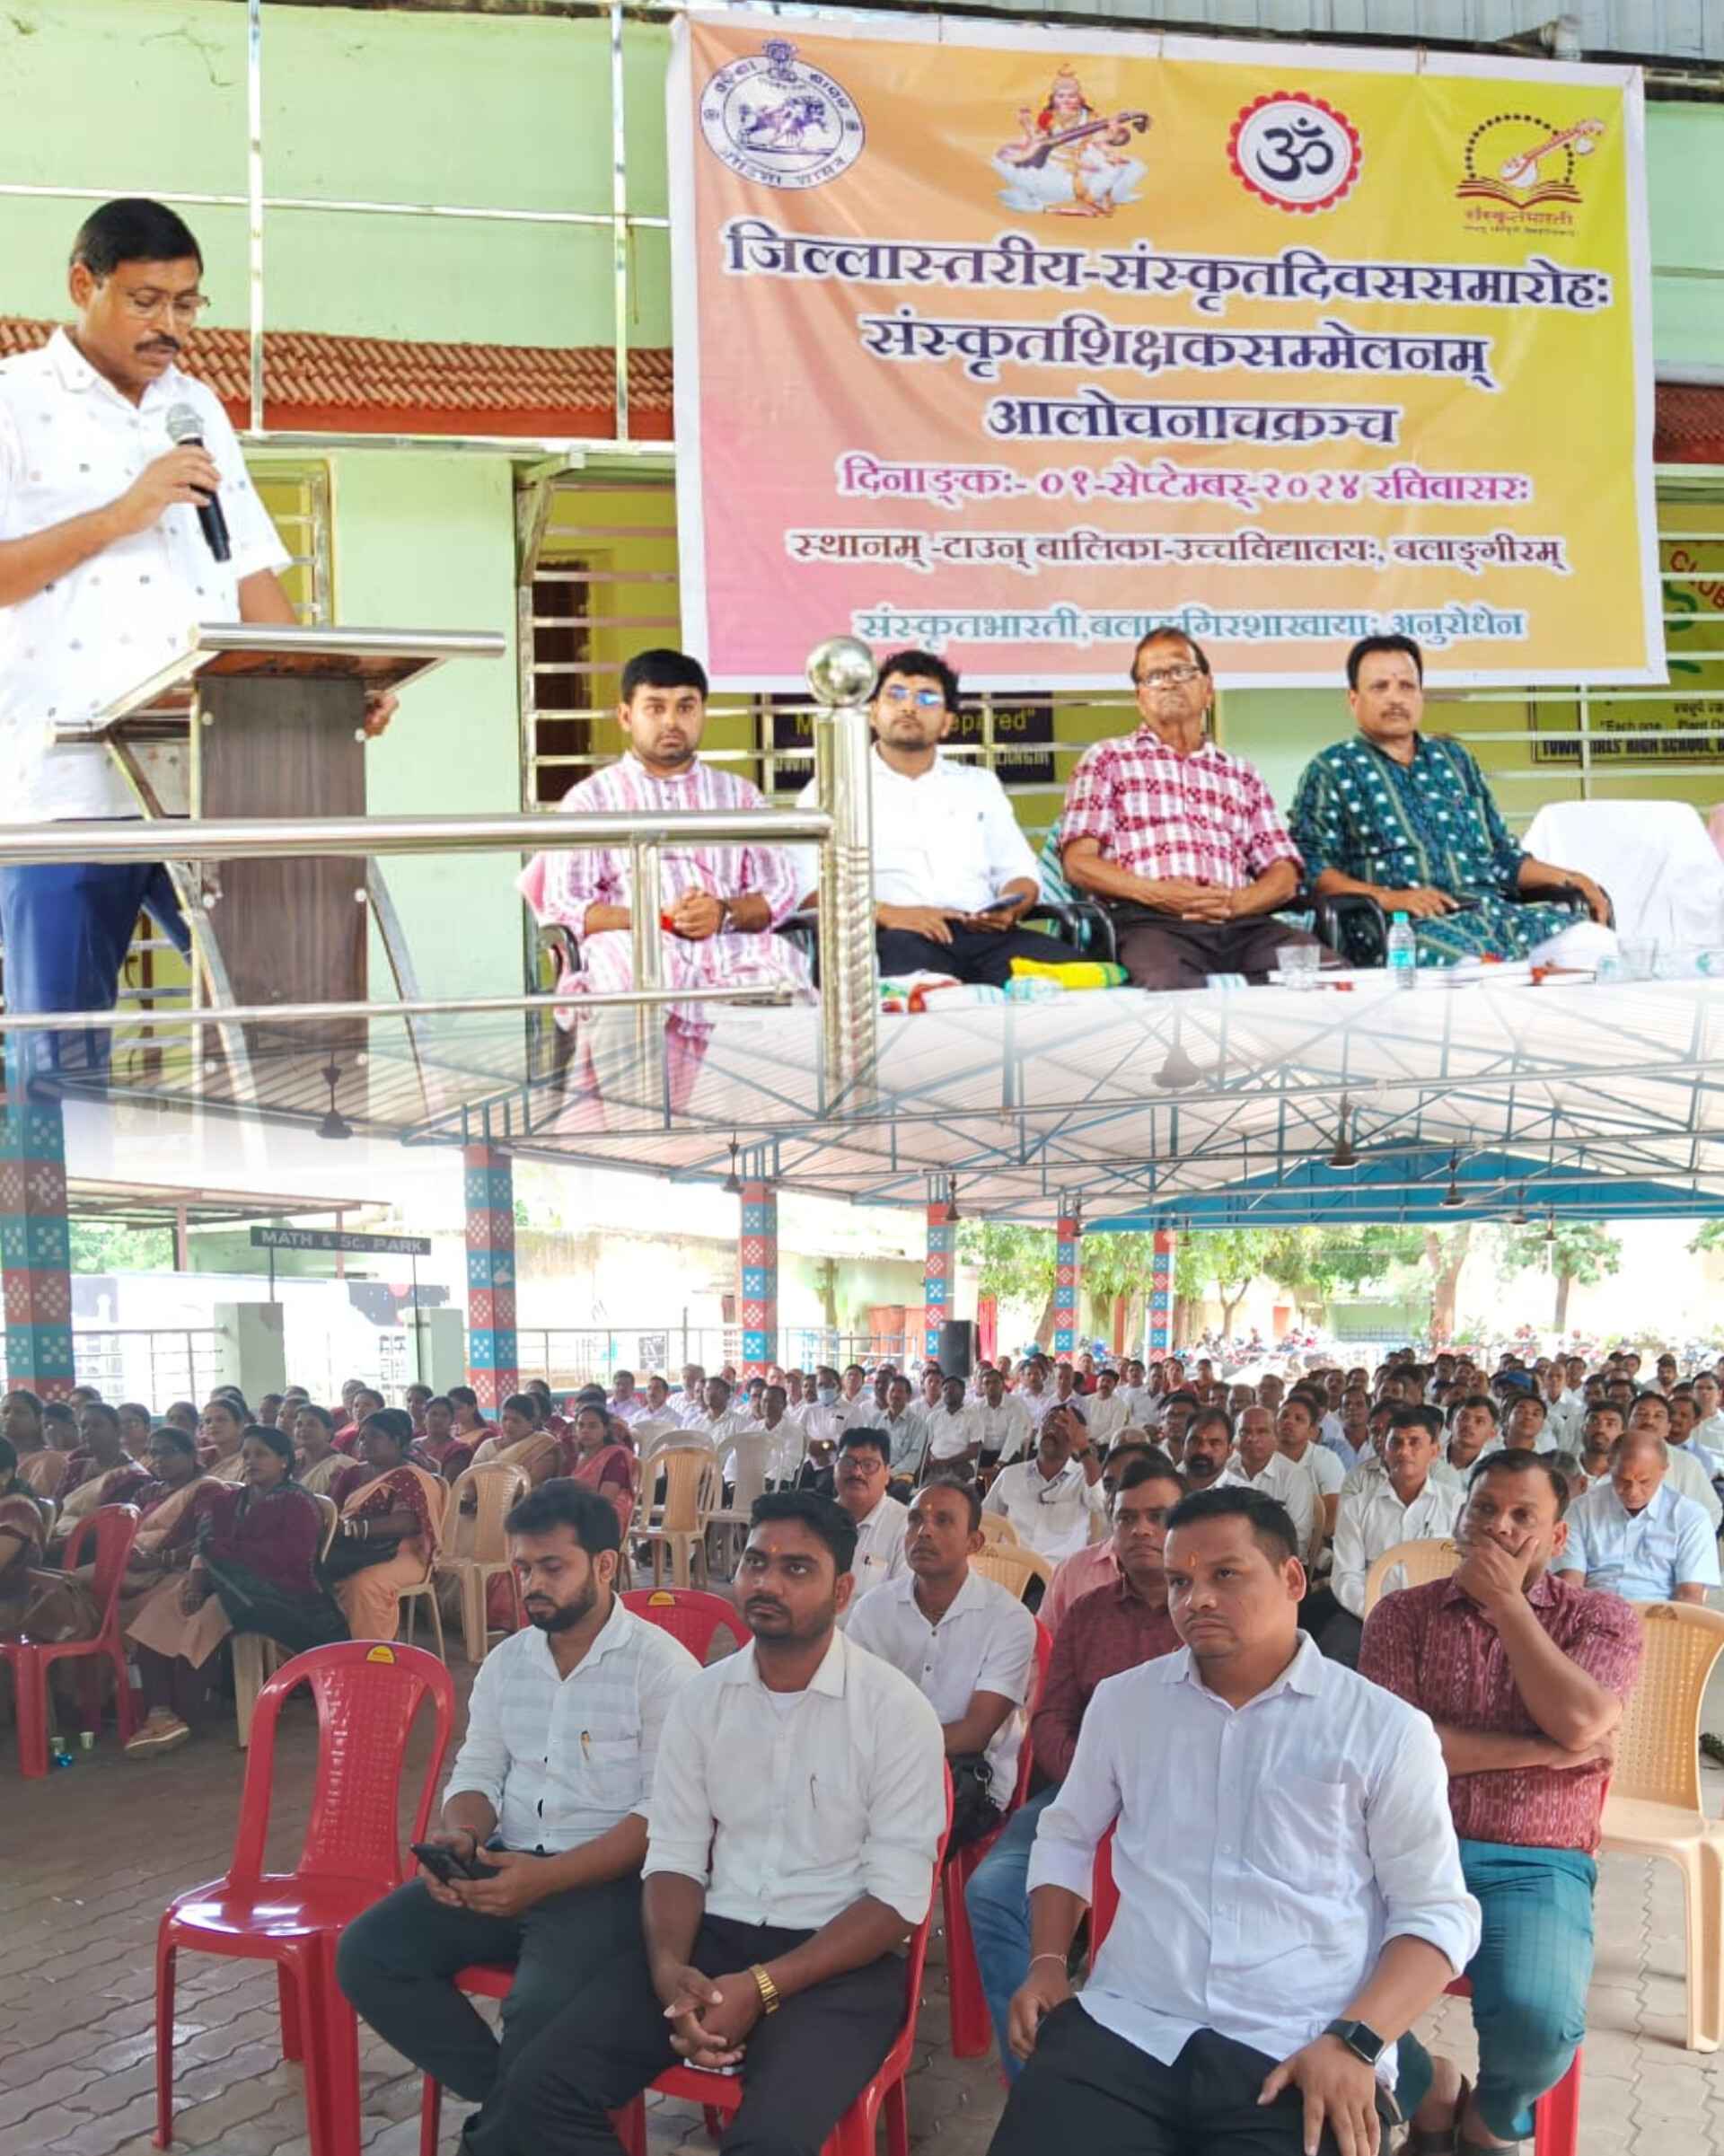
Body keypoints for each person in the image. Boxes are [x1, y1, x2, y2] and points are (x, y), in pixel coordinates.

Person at [0, 199, 388, 1074]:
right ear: (82, 285)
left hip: (211, 779)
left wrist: (329, 689)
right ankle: (45, 1177)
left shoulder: (197, 406)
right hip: (66, 788)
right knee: (55, 1060)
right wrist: (122, 513)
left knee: (280, 1026)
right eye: (146, 301)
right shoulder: (13, 401)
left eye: (187, 303)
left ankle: (273, 1170)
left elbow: (249, 575)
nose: (169, 326)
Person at [992, 1486, 1480, 2156]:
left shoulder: (1382, 1729)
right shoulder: (1125, 1704)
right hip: (1130, 2022)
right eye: (1179, 1581)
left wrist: (1357, 2040)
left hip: (1300, 2046)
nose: (1197, 1600)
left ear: (1293, 1579)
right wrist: (1048, 1963)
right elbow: (1067, 1833)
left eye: (1225, 1574)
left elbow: (1435, 1914)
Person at [478, 1491, 946, 2156]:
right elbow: (674, 1853)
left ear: (842, 1590)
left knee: (768, 2143)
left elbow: (896, 1902)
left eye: (796, 1568)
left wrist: (762, 1987)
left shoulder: (895, 1712)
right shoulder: (702, 1699)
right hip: (712, 1941)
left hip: (839, 1960)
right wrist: (669, 1967)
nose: (767, 1582)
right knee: (535, 2095)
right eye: (755, 1562)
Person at [338, 1481, 699, 2156]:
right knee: (368, 1953)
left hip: (609, 1884)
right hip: (505, 1862)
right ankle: (526, 2109)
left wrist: (547, 1879)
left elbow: (664, 1816)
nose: (532, 1585)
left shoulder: (660, 1669)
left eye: (551, 1567)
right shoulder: (508, 1663)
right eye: (523, 1568)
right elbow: (478, 1771)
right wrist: (464, 1835)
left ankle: (511, 2127)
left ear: (604, 1565)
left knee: (537, 2006)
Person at [1359, 1451, 1642, 2152]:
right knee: (1304, 1969)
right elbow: (1402, 1748)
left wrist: (1511, 1605)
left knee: (1539, 2022)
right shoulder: (1402, 1614)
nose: (1499, 1527)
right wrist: (1547, 1752)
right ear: (1461, 1518)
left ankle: (1492, 2116)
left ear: (1558, 1537)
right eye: (1484, 1508)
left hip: (1535, 1862)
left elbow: (1580, 1718)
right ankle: (1427, 2088)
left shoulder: (1600, 1619)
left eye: (1523, 1516)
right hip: (1402, 1848)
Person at [967, 1455, 1184, 2072]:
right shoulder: (1089, 1614)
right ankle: (1039, 2077)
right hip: (1079, 1797)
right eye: (1127, 1518)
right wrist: (1094, 1783)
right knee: (993, 1891)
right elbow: (1050, 1719)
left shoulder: (1208, 1615)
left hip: (1181, 1814)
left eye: (1158, 1516)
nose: (1141, 1530)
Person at [1289, 634, 1611, 969]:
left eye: (1407, 686)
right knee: (1476, 970)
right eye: (1380, 687)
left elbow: (1502, 857)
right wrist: (1389, 898)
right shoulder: (1332, 768)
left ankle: (1522, 978)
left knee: (1597, 946)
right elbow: (1310, 866)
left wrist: (1572, 878)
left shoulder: (1456, 760)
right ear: (1353, 699)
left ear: (1421, 695)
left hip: (1493, 916)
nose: (1395, 698)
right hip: (1405, 929)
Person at [532, 649, 811, 1035]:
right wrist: (659, 917)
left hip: (728, 944)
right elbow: (566, 906)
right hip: (632, 945)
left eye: (685, 707)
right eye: (655, 708)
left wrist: (723, 912)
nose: (671, 721)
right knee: (622, 979)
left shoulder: (740, 796)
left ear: (702, 713)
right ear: (625, 716)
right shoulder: (590, 800)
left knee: (784, 979)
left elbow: (780, 889)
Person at [795, 647, 1084, 989]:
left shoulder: (979, 785)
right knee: (928, 989)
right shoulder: (833, 788)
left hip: (980, 935)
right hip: (887, 935)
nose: (909, 707)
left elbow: (1019, 873)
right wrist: (890, 914)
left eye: (927, 698)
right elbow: (807, 891)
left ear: (947, 723)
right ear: (873, 712)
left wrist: (1009, 908)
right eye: (895, 695)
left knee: (1082, 979)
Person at [1059, 626, 1323, 990]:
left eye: (1182, 671)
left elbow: (1284, 871)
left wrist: (1239, 902)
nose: (1168, 683)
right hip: (1151, 923)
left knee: (1326, 974)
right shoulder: (1107, 759)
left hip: (1242, 923)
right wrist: (1158, 893)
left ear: (1208, 688)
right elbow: (1078, 863)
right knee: (1171, 989)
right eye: (1154, 676)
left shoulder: (1240, 773)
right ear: (1140, 697)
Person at [127, 1423, 346, 1754]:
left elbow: (290, 1557)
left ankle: (185, 1714)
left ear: (284, 1461)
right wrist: (196, 1584)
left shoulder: (297, 1502)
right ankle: (159, 1710)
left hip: (279, 1592)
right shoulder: (229, 1500)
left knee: (206, 1618)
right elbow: (204, 1544)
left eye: (261, 1454)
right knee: (163, 1609)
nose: (252, 1461)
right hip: (222, 1582)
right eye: (247, 1455)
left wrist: (227, 1556)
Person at [848, 1476, 1038, 1849]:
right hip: (876, 1769)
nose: (924, 1532)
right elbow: (852, 1707)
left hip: (967, 1779)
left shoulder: (1008, 1619)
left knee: (861, 1835)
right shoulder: (873, 1609)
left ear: (974, 1543)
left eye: (943, 1521)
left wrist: (883, 1755)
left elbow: (974, 1734)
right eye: (915, 1520)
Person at [1320, 1404, 1465, 1667]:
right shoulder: (1358, 1507)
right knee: (1334, 1650)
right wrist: (1379, 1614)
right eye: (1395, 1443)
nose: (1403, 1451)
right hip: (1368, 1611)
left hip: (1438, 1615)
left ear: (1434, 1452)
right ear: (1385, 1450)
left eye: (1414, 1443)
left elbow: (1465, 1572)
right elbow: (1346, 1576)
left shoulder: (1456, 1505)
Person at [1555, 1430, 1720, 1605]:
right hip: (1594, 1611)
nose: (1633, 1492)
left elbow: (1689, 1596)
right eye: (1623, 1480)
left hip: (1660, 1616)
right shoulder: (1581, 1510)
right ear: (1610, 1466)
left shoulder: (1691, 1518)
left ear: (1663, 1470)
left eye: (1644, 1481)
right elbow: (1570, 1584)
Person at [327, 1409, 446, 1642]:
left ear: (397, 1441)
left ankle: (371, 1653)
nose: (365, 1442)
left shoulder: (409, 1477)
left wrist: (354, 1529)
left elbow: (407, 1522)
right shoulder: (353, 1474)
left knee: (362, 1584)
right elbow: (334, 1511)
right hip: (354, 1551)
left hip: (405, 1554)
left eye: (375, 1436)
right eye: (362, 1437)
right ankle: (333, 1651)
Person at [982, 1406, 1105, 1562]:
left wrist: (1083, 1447)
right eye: (1048, 1421)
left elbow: (1099, 1500)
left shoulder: (1083, 1477)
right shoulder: (1011, 1474)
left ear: (1077, 1435)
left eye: (1062, 1424)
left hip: (1058, 1571)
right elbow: (985, 1519)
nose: (1051, 1428)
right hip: (1011, 1568)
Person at [832, 1425, 908, 1607]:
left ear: (887, 1474)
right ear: (835, 1468)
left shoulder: (906, 1526)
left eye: (869, 1465)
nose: (856, 1472)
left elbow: (902, 1602)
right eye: (848, 1462)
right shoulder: (816, 1519)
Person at [977, 1363, 1035, 1471]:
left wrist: (999, 1465)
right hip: (985, 1454)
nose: (991, 1386)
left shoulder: (1016, 1405)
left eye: (995, 1382)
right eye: (987, 1383)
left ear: (1003, 1385)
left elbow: (1014, 1437)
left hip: (1010, 1454)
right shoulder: (977, 1408)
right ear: (982, 1387)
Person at [926, 1372, 985, 1478]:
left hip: (961, 1464)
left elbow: (974, 1451)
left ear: (963, 1393)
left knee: (950, 1477)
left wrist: (946, 1462)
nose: (949, 1391)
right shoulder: (933, 1417)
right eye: (945, 1389)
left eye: (953, 1388)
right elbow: (926, 1447)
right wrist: (930, 1461)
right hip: (935, 1464)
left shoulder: (974, 1417)